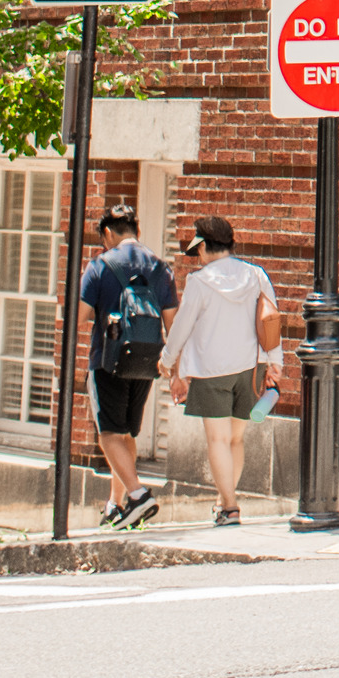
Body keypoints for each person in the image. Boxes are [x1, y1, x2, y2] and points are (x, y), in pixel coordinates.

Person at [160, 214, 281, 524]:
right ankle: (224, 500)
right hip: (250, 368)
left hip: (211, 370)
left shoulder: (200, 281)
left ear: (202, 247)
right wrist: (275, 363)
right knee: (235, 440)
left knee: (217, 440)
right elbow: (271, 320)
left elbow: (182, 327)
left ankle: (229, 505)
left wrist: (169, 359)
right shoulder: (255, 275)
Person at [75, 203, 178, 531]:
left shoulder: (99, 266)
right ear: (137, 231)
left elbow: (77, 318)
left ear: (107, 233)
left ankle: (137, 495)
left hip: (107, 361)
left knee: (107, 435)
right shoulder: (161, 267)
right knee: (127, 433)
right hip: (146, 362)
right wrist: (172, 365)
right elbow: (172, 324)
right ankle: (116, 506)